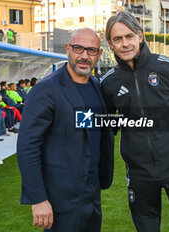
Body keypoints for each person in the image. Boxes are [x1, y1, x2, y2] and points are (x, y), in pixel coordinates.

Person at [101, 12, 169, 232]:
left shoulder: (168, 67)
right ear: (110, 44)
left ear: (140, 36)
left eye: (129, 36)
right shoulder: (108, 83)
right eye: (117, 39)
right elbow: (105, 129)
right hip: (139, 173)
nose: (125, 44)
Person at [17, 28, 114, 231]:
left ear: (100, 54)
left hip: (92, 194)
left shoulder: (96, 86)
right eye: (79, 48)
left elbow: (93, 130)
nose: (84, 56)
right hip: (60, 198)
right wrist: (38, 198)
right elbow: (28, 146)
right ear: (68, 49)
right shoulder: (46, 89)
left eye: (91, 50)